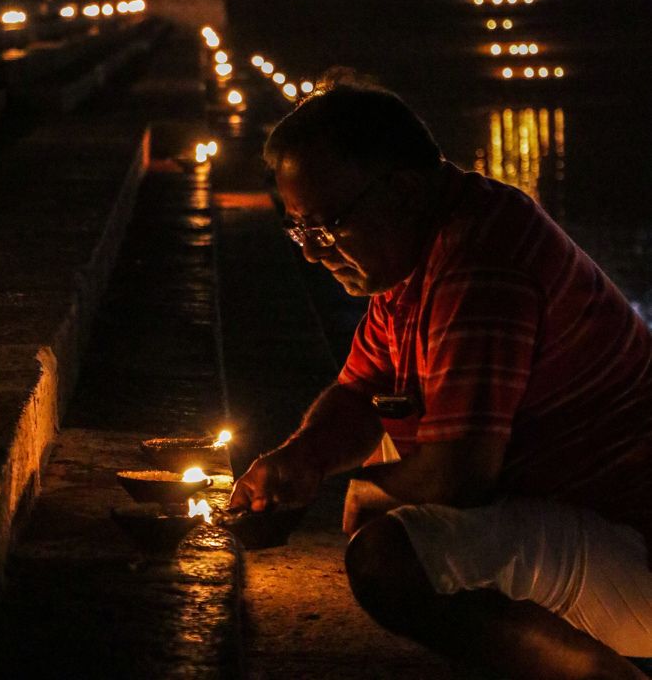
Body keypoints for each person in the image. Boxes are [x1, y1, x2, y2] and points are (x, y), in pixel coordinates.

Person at [229, 77, 652, 680]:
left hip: (630, 533)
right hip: (577, 512)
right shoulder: (410, 256)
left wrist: (361, 491)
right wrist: (302, 459)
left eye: (329, 225)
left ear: (400, 189)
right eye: (299, 230)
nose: (314, 252)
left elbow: (459, 475)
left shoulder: (481, 263)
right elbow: (363, 391)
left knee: (389, 558)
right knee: (394, 473)